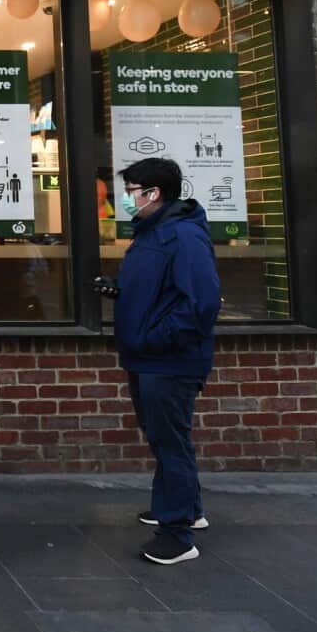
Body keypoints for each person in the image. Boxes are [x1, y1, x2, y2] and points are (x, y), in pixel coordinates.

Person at [94, 157, 221, 566]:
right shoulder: (152, 232)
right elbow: (158, 291)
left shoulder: (182, 236)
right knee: (166, 439)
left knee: (170, 443)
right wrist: (119, 292)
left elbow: (201, 304)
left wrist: (153, 339)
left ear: (153, 194)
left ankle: (177, 533)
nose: (125, 199)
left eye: (130, 191)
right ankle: (187, 508)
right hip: (148, 357)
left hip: (168, 362)